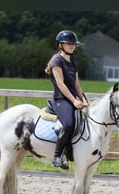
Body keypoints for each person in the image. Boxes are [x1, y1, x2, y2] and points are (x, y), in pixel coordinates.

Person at [44, 30, 89, 170]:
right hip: (61, 100)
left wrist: (84, 100)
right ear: (60, 45)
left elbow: (76, 85)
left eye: (73, 44)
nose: (72, 46)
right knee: (69, 124)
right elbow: (61, 84)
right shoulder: (56, 61)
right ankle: (57, 157)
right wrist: (74, 101)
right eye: (68, 43)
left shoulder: (73, 63)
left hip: (72, 99)